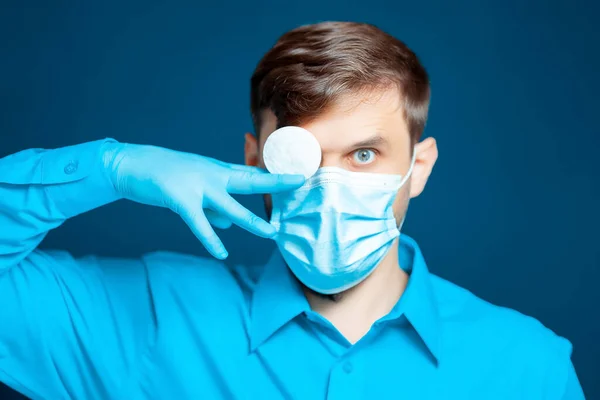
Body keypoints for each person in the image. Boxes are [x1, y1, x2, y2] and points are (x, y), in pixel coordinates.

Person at [0, 21, 585, 400]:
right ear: (254, 160)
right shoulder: (145, 321)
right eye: (299, 154)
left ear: (420, 167)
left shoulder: (530, 367)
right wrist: (115, 167)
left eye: (363, 154)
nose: (332, 187)